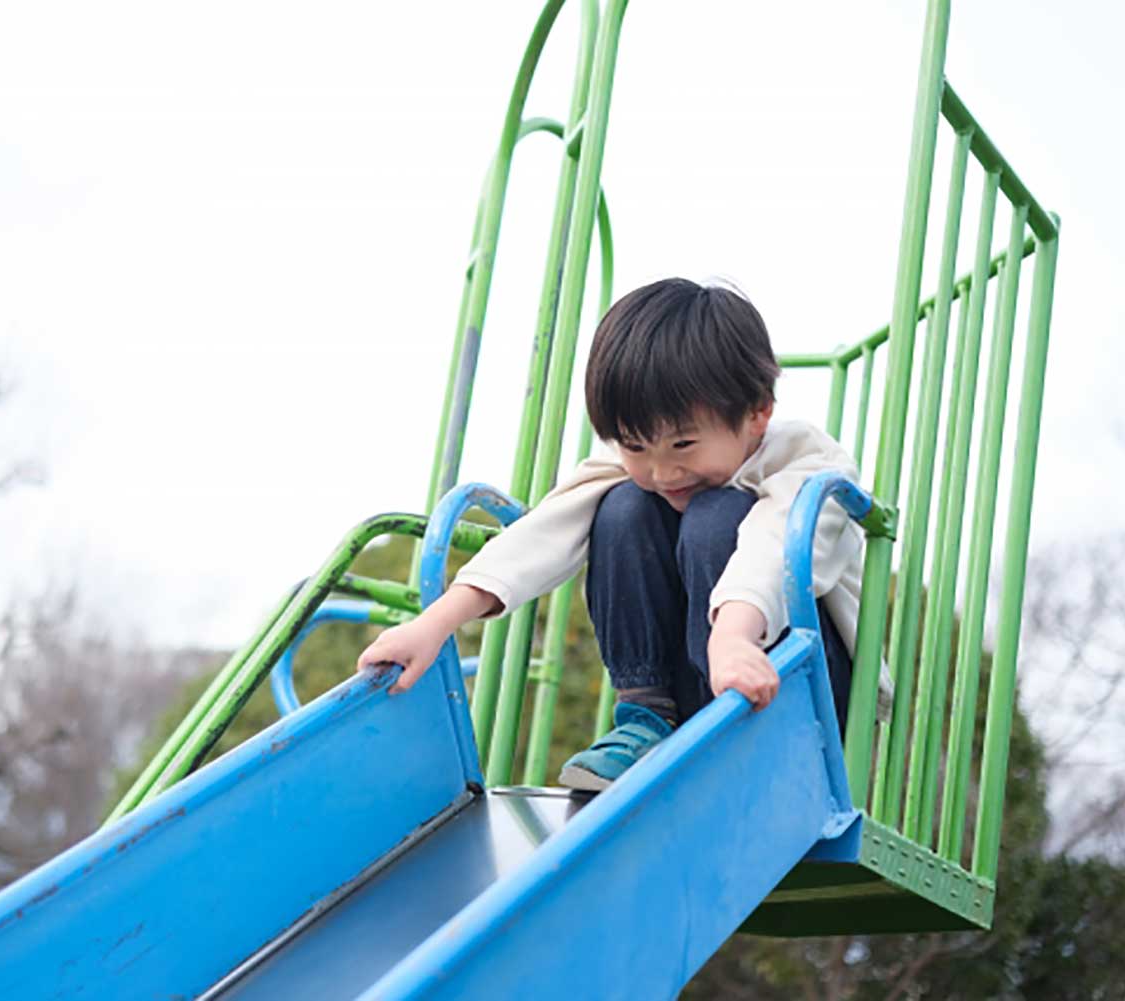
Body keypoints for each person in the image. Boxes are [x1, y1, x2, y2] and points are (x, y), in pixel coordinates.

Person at [356, 277, 866, 791]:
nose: (663, 472)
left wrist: (733, 636)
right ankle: (647, 719)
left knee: (716, 516)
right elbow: (547, 530)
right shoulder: (632, 473)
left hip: (793, 691)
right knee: (620, 506)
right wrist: (436, 624)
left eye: (683, 445)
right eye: (635, 447)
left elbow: (773, 546)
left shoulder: (808, 464)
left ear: (758, 414)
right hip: (703, 680)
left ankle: (735, 729)